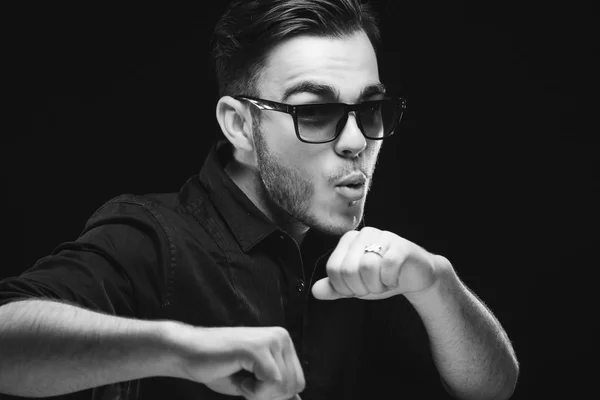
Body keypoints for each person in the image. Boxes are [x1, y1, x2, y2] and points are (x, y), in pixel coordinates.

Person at [0, 0, 519, 399]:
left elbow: (493, 387)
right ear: (240, 126)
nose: (358, 141)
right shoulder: (153, 237)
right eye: (314, 112)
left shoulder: (368, 256)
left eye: (372, 108)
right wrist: (180, 349)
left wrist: (438, 283)